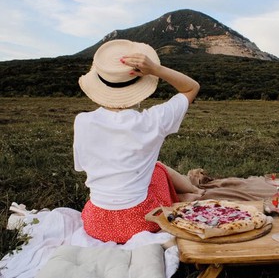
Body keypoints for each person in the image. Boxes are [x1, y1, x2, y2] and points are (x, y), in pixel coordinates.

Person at [73, 39, 204, 243]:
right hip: (140, 221)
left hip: (96, 223)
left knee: (148, 172)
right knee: (157, 169)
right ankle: (192, 193)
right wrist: (156, 69)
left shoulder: (82, 121)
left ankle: (189, 195)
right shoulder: (153, 120)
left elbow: (82, 167)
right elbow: (191, 88)